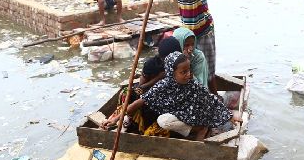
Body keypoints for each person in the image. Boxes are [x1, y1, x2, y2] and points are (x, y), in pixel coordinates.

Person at [101, 52, 239, 141]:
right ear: (171, 73)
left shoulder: (192, 83)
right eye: (183, 72)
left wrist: (229, 116)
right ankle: (198, 128)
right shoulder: (162, 86)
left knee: (205, 104)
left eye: (189, 70)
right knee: (163, 120)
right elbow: (138, 103)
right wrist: (115, 119)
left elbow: (210, 99)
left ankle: (202, 126)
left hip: (195, 114)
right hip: (181, 116)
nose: (188, 74)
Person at [149, 0, 218, 94]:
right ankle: (193, 94)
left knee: (208, 66)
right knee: (187, 66)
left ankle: (214, 95)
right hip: (187, 33)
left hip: (203, 29)